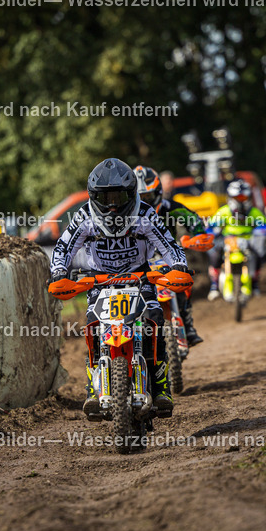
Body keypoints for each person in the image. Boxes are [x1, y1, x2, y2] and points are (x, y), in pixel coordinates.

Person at [48, 158, 191, 415]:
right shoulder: (84, 216)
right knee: (93, 326)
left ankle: (160, 386)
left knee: (155, 320)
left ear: (132, 194)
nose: (113, 205)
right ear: (94, 196)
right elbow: (63, 247)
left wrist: (179, 265)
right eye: (106, 198)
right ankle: (94, 386)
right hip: (99, 281)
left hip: (140, 278)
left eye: (119, 197)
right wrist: (58, 271)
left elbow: (169, 244)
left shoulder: (145, 213)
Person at [133, 164, 207, 346]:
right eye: (140, 197)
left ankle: (187, 325)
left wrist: (196, 235)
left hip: (168, 257)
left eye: (148, 196)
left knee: (182, 282)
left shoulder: (170, 207)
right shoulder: (126, 215)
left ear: (158, 192)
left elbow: (194, 220)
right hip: (138, 261)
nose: (145, 202)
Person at [207, 179, 266, 300]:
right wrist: (212, 231)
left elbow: (265, 225)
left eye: (243, 198)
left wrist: (261, 230)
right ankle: (214, 285)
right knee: (215, 255)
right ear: (230, 197)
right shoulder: (224, 211)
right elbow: (210, 225)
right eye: (237, 198)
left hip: (248, 239)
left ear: (249, 198)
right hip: (228, 239)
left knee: (258, 255)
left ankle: (255, 282)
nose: (240, 201)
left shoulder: (253, 212)